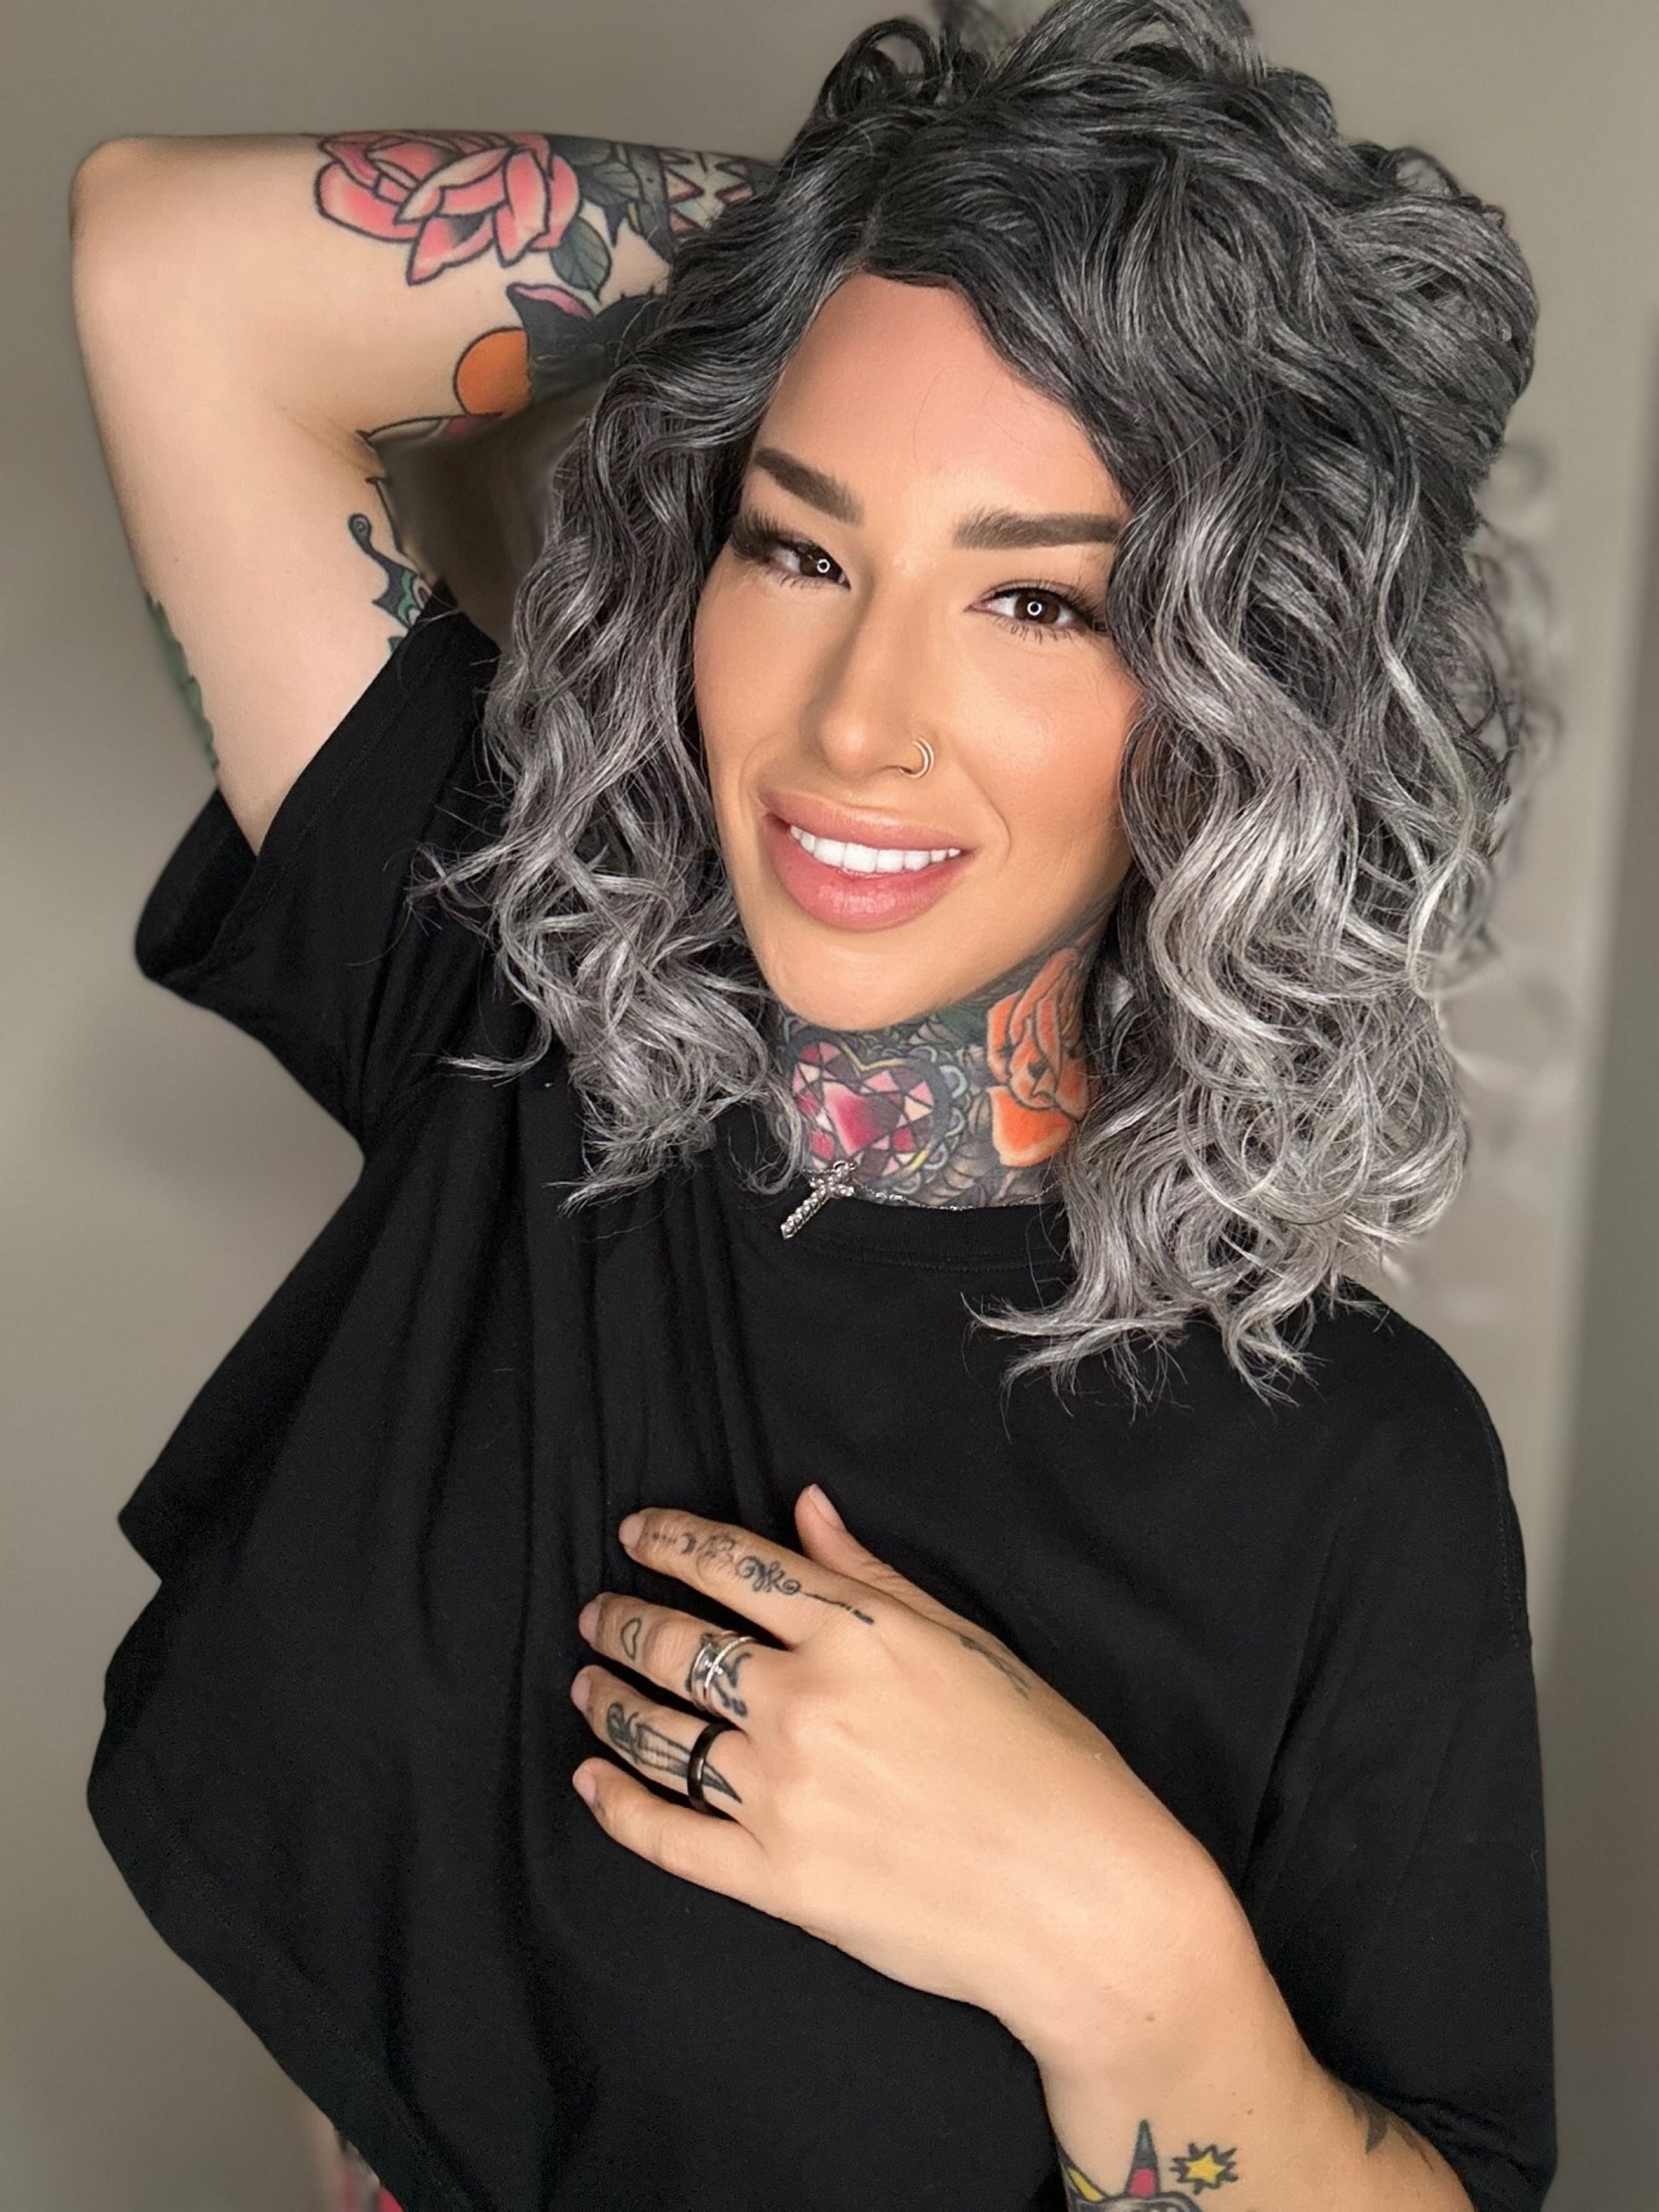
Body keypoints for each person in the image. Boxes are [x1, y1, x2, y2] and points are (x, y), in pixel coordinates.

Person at [69, 1, 1555, 2208]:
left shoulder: (1355, 1478)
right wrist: (900, 234)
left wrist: (1130, 1967)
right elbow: (161, 268)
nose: (859, 721)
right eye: (799, 546)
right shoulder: (514, 1017)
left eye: (1035, 598)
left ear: (1241, 690)